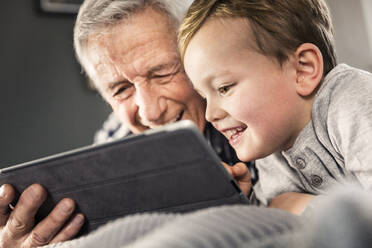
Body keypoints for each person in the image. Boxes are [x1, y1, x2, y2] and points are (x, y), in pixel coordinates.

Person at [0, 1, 252, 247]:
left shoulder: (255, 116)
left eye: (162, 73)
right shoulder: (113, 142)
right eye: (121, 89)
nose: (151, 113)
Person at [178, 0, 372, 214]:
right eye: (204, 97)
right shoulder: (271, 149)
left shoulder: (353, 100)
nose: (210, 114)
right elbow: (274, 224)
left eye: (224, 88)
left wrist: (298, 206)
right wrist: (242, 203)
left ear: (303, 70)